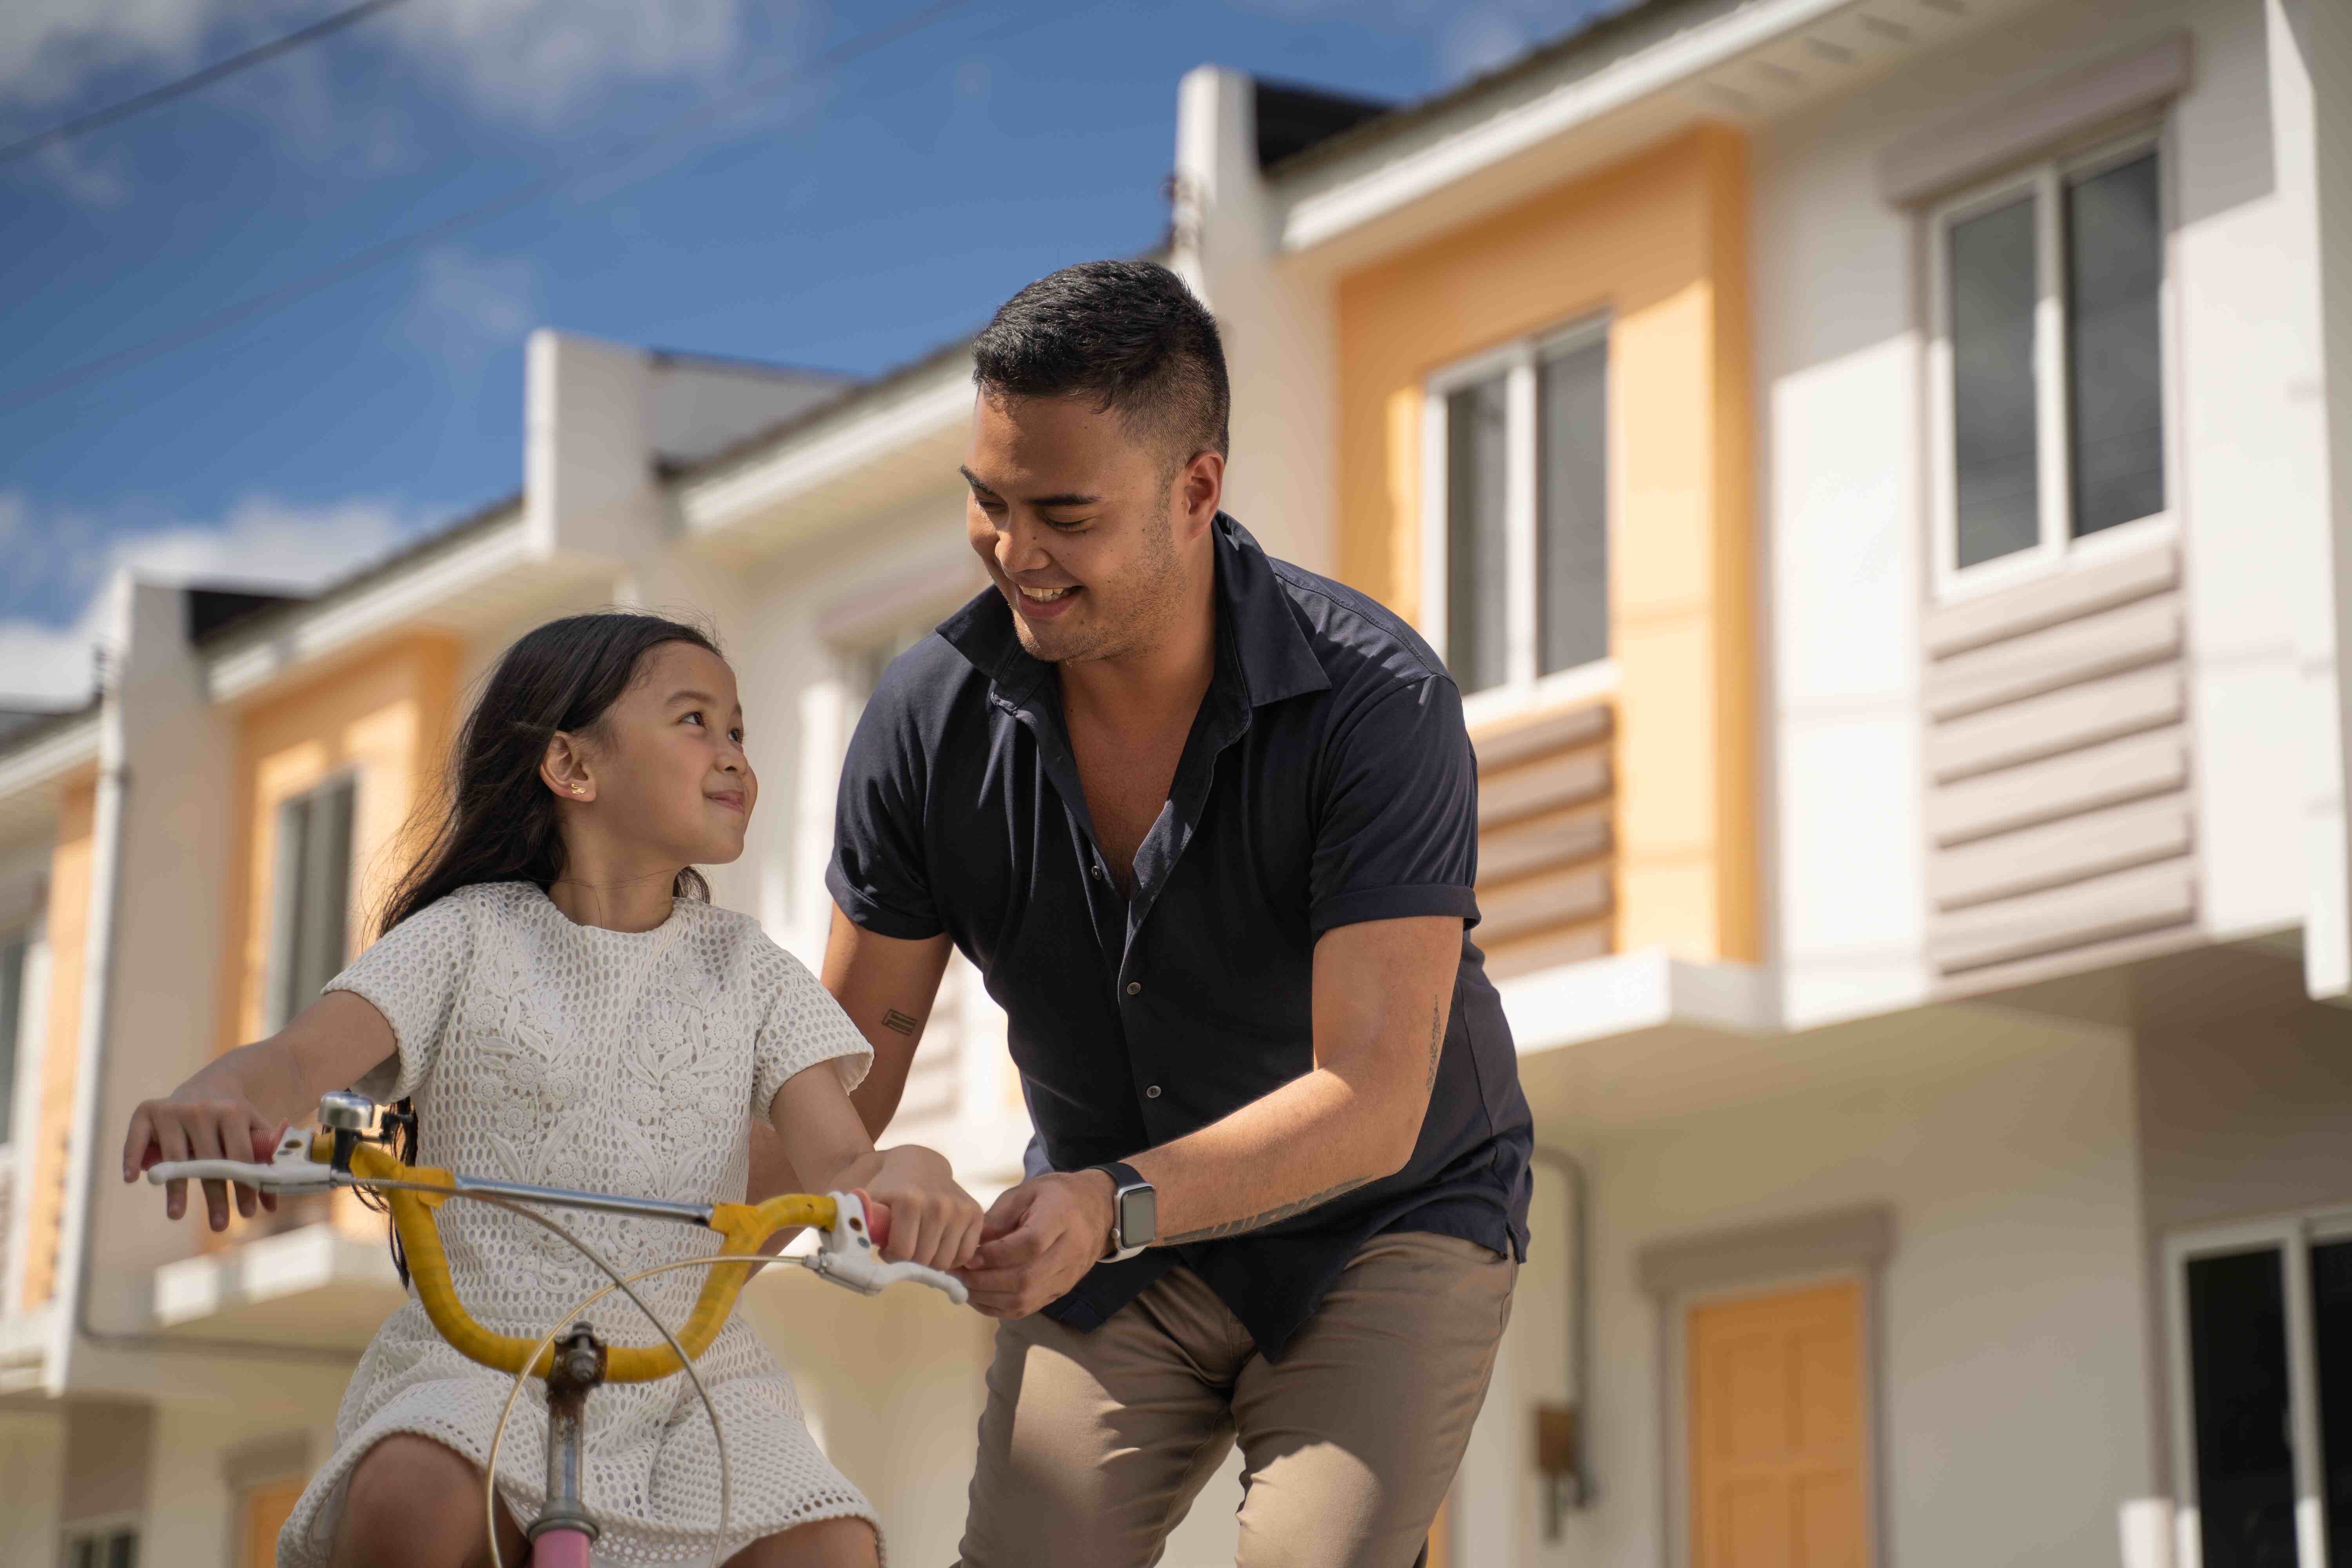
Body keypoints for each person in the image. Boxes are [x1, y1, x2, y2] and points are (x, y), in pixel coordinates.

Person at [821, 260, 1536, 1567]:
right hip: (1111, 1257)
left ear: (1197, 488)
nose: (1012, 552)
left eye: (1063, 514)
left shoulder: (1378, 703)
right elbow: (833, 1087)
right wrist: (870, 1173)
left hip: (1382, 1224)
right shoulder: (923, 724)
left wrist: (1109, 1202)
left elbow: (1372, 1098)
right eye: (986, 502)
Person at [122, 612, 985, 1568]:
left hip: (689, 1379)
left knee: (830, 1543)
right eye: (695, 720)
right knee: (414, 1496)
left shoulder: (750, 970)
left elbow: (846, 1158)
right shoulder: (464, 936)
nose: (735, 753)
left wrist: (916, 1171)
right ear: (572, 767)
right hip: (480, 1353)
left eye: (738, 728)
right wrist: (225, 1095)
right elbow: (292, 1062)